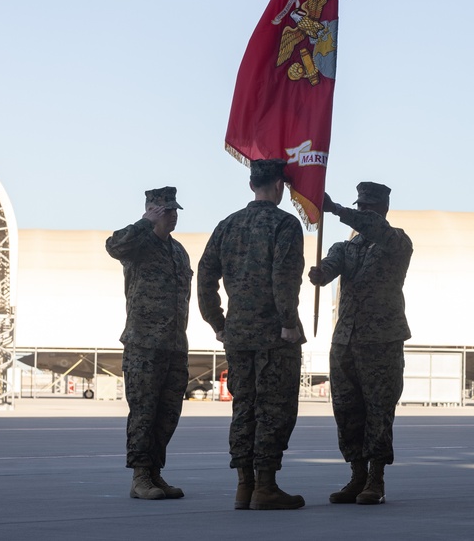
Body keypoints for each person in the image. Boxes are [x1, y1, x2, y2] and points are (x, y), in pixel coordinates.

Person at [197, 159, 306, 511]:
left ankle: (244, 487)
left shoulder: (228, 225)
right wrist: (289, 321)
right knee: (274, 409)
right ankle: (266, 487)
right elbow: (285, 277)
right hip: (275, 336)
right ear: (279, 186)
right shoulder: (285, 224)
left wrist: (218, 322)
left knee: (244, 408)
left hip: (238, 334)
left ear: (251, 185)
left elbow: (204, 277)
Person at [307, 182, 413, 505]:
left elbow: (374, 229)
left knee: (379, 411)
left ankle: (375, 479)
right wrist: (320, 274)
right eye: (360, 206)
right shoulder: (345, 248)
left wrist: (336, 209)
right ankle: (356, 474)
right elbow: (330, 267)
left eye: (369, 207)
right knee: (347, 410)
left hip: (381, 341)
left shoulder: (396, 242)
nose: (364, 212)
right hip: (345, 342)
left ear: (382, 211)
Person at [105, 186, 191, 501]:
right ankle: (140, 477)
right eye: (164, 210)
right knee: (144, 411)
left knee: (168, 414)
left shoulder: (179, 251)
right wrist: (143, 222)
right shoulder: (137, 245)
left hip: (175, 345)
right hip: (144, 344)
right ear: (152, 211)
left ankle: (155, 472)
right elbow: (113, 246)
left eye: (174, 210)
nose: (171, 215)